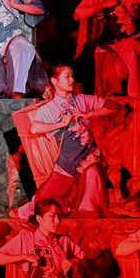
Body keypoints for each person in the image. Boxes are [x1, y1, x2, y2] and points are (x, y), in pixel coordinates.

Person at [15, 65, 117, 217]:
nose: (72, 80)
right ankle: (24, 212)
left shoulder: (83, 100)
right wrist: (62, 124)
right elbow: (35, 128)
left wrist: (89, 115)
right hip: (67, 163)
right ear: (54, 81)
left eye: (72, 76)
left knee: (94, 173)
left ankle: (87, 214)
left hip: (88, 158)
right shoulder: (49, 109)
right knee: (45, 199)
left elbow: (113, 106)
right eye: (67, 77)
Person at [0, 199, 84, 278]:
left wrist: (73, 261)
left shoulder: (64, 240)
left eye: (59, 216)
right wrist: (24, 256)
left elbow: (86, 260)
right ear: (39, 219)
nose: (57, 221)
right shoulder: (27, 239)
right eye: (52, 216)